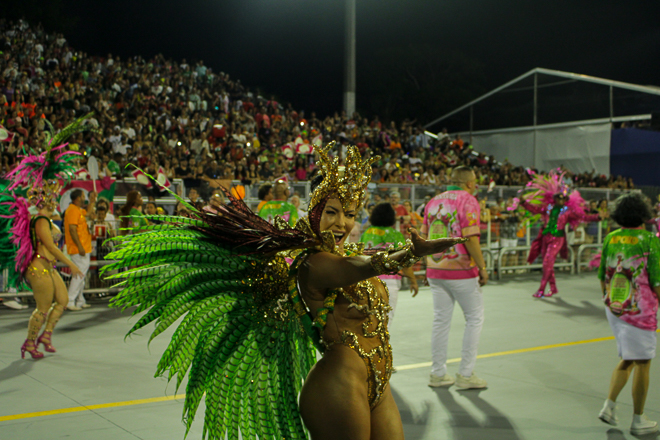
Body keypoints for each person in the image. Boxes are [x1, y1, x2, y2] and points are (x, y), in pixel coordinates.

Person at [104, 142, 465, 440]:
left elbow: (358, 262)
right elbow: (350, 269)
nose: (342, 223)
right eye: (333, 212)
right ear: (314, 211)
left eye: (351, 214)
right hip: (339, 384)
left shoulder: (350, 251)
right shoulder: (313, 262)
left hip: (378, 378)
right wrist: (407, 253)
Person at [0, 130, 84, 359]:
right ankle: (29, 343)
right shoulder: (39, 221)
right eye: (52, 196)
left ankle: (45, 335)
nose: (55, 197)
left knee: (63, 301)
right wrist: (72, 265)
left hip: (49, 266)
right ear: (44, 200)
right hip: (38, 267)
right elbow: (53, 246)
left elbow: (55, 235)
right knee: (43, 308)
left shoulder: (48, 219)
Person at [597, 193, 660, 435]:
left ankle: (609, 407)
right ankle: (638, 419)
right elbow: (656, 281)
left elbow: (602, 274)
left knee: (629, 358)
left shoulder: (611, 238)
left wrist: (609, 299)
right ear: (643, 214)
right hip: (639, 311)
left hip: (614, 307)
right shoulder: (649, 240)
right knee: (643, 362)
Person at [422, 166, 489, 389]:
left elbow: (425, 237)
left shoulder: (433, 201)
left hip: (435, 268)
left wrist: (426, 266)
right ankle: (466, 374)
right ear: (469, 183)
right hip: (461, 271)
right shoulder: (468, 200)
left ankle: (438, 373)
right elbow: (471, 239)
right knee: (474, 318)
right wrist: (481, 267)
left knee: (441, 320)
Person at [518, 169, 603, 297]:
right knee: (547, 264)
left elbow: (583, 217)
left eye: (563, 198)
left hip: (557, 238)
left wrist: (597, 217)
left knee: (547, 262)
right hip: (546, 237)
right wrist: (524, 203)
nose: (561, 200)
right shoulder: (549, 208)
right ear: (555, 198)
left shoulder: (568, 211)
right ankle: (553, 288)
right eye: (559, 197)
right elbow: (535, 209)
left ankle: (541, 289)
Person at [359, 202, 418, 324]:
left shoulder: (367, 233)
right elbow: (406, 262)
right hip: (388, 281)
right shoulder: (394, 235)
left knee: (368, 321)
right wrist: (413, 281)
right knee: (385, 320)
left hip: (367, 279)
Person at [64, 189, 96, 311]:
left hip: (83, 247)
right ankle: (70, 300)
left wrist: (92, 200)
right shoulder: (72, 210)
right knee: (79, 274)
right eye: (83, 196)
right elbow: (72, 230)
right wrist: (80, 246)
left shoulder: (78, 210)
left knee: (81, 274)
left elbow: (88, 212)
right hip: (78, 248)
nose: (84, 198)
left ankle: (80, 300)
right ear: (78, 198)